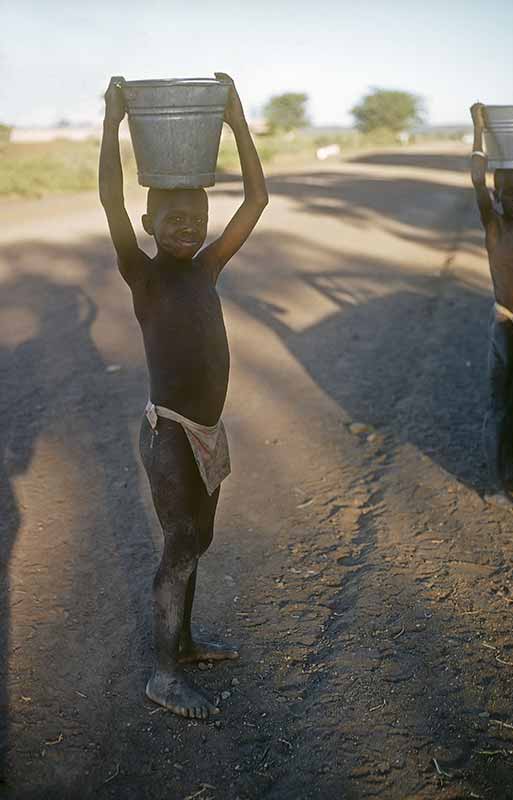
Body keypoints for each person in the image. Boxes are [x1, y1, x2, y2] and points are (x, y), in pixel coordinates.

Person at [99, 73, 268, 718]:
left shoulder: (207, 267)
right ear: (148, 223)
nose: (186, 228)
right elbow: (112, 202)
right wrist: (113, 123)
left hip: (205, 430)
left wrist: (236, 118)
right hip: (168, 432)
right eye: (172, 219)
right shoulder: (143, 275)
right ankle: (163, 674)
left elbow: (256, 199)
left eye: (195, 218)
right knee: (180, 544)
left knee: (198, 539)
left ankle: (187, 642)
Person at [471, 102, 513, 510]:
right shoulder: (494, 227)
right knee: (504, 408)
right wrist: (478, 129)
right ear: (496, 195)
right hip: (509, 330)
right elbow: (477, 178)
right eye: (508, 192)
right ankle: (499, 483)